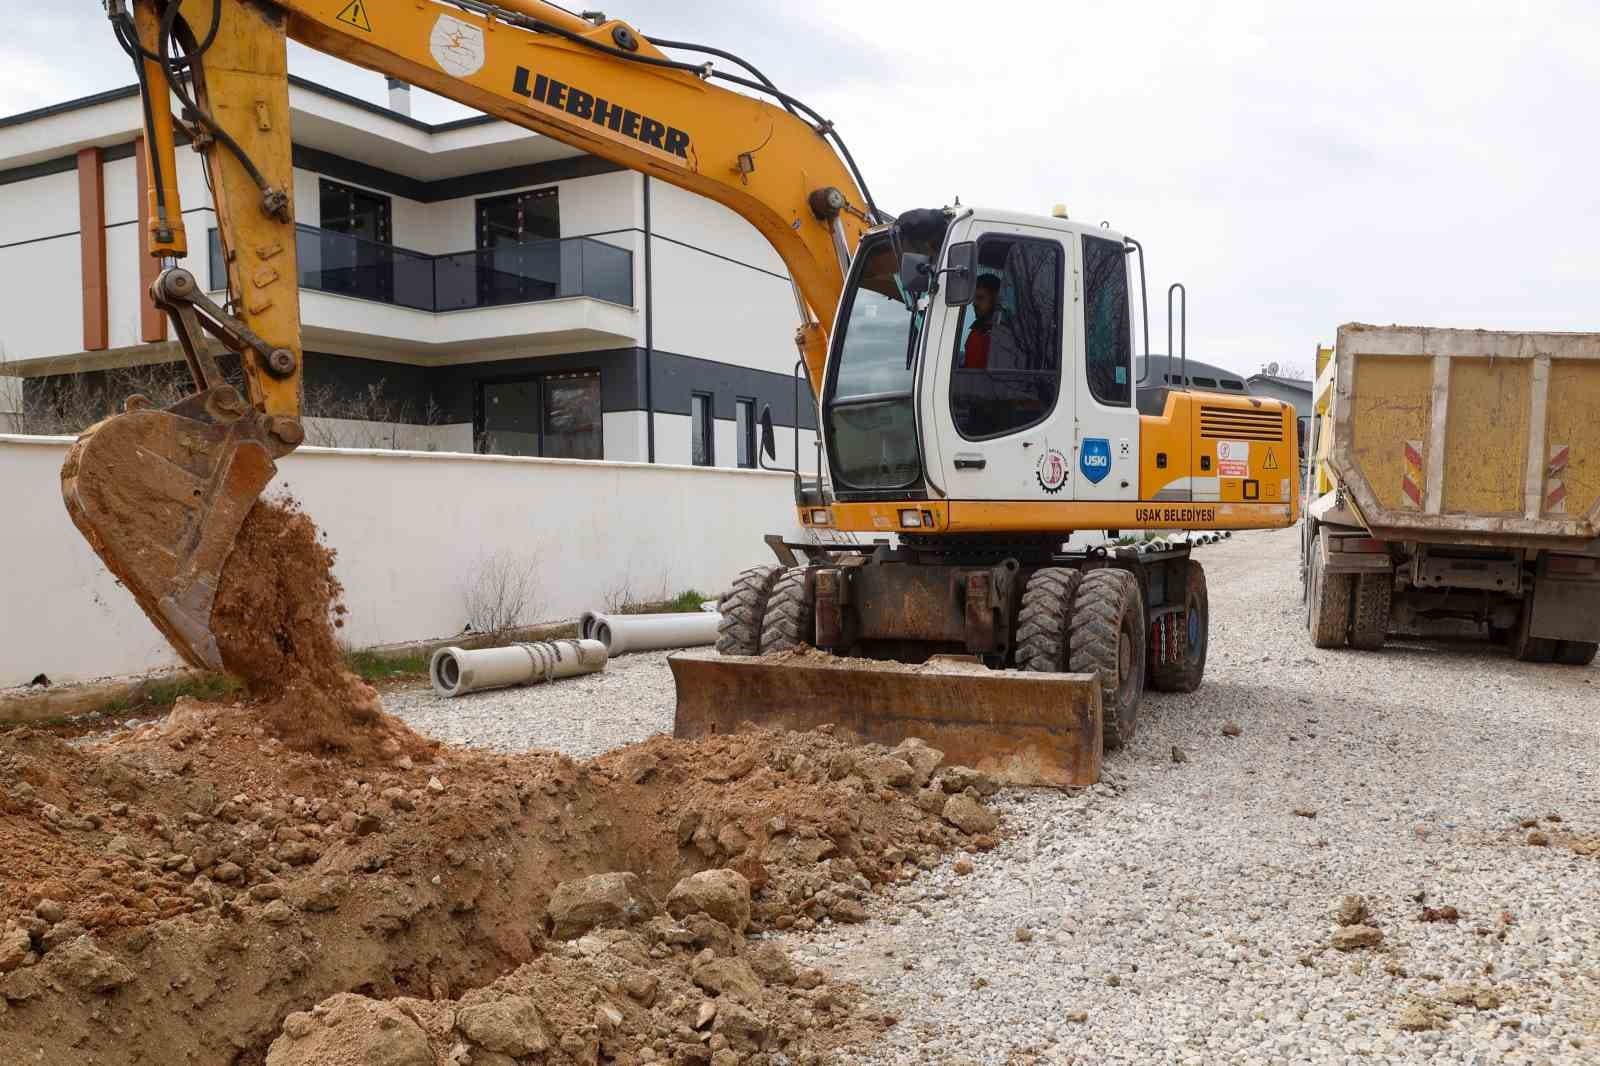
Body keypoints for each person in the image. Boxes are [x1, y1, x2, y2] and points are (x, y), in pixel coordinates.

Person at [961, 274, 1002, 369]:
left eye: (980, 298)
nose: (974, 303)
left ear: (996, 299)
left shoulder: (1005, 336)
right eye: (974, 298)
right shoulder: (977, 330)